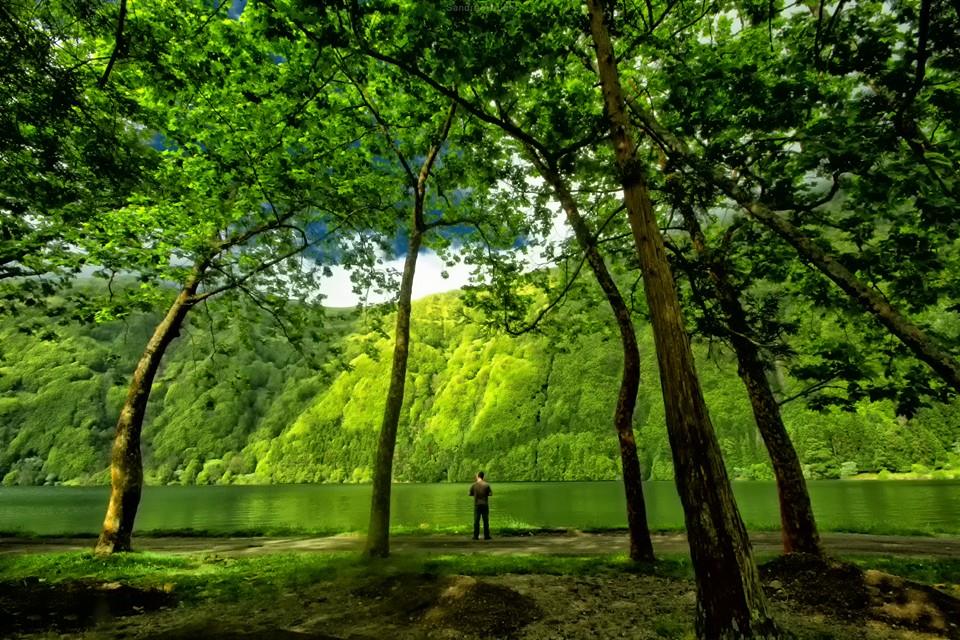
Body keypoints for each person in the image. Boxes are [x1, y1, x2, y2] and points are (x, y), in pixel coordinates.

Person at [469, 471, 492, 540]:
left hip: (477, 505)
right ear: (483, 476)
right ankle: (486, 536)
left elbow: (469, 494)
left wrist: (475, 494)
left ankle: (475, 536)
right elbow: (490, 494)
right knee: (485, 521)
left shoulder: (474, 485)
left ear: (477, 476)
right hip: (485, 504)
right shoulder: (486, 485)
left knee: (476, 521)